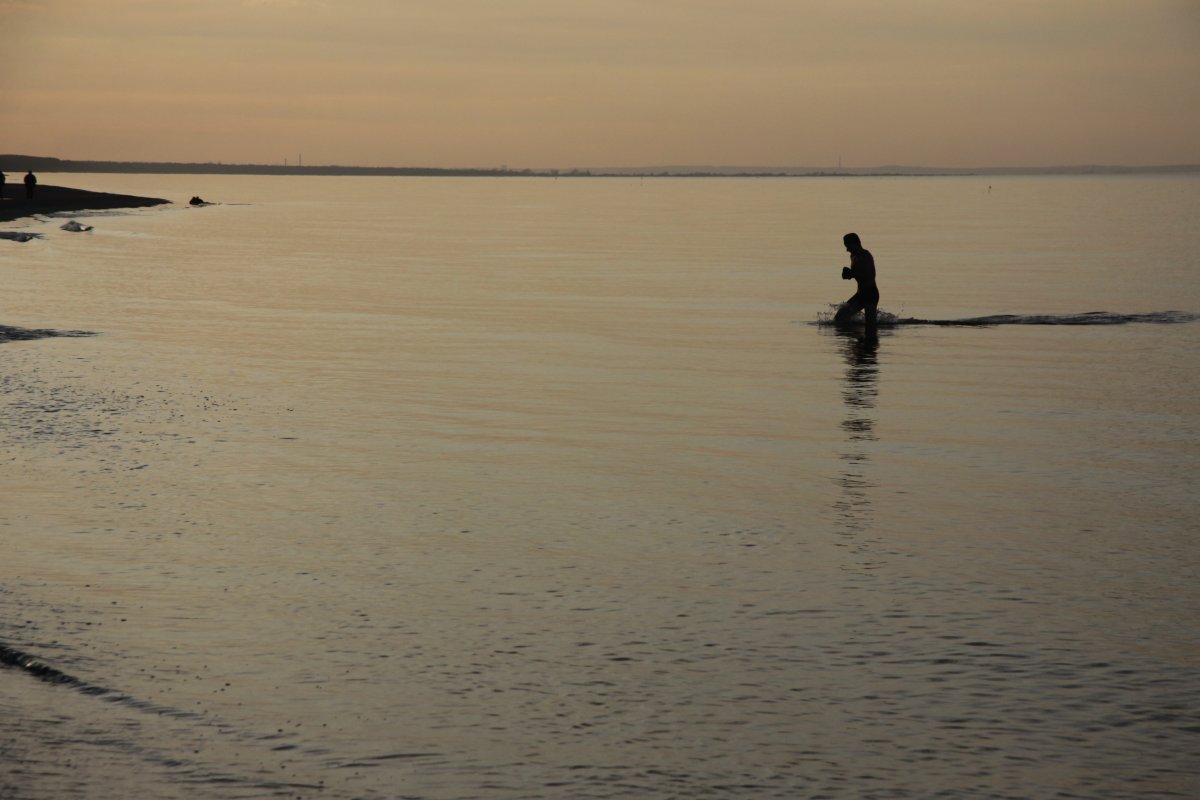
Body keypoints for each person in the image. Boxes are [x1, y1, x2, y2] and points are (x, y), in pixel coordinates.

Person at [834, 232, 880, 331]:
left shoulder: (866, 255)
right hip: (860, 294)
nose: (847, 249)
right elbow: (856, 273)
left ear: (855, 244)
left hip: (870, 293)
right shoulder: (853, 256)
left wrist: (852, 274)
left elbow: (870, 275)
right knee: (840, 317)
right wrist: (848, 274)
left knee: (870, 325)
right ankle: (855, 335)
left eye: (848, 246)